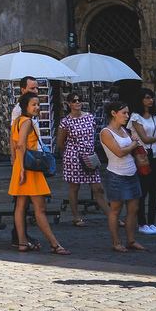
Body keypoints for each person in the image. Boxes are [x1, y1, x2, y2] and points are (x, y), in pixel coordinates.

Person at [10, 91, 69, 254]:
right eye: (34, 104)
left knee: (20, 206)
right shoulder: (27, 122)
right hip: (28, 168)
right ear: (25, 106)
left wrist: (16, 165)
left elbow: (14, 145)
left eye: (39, 105)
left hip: (21, 166)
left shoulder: (17, 121)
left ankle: (22, 242)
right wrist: (22, 169)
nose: (37, 107)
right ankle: (55, 244)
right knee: (39, 209)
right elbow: (21, 145)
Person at [55, 90, 109, 227]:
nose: (77, 102)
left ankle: (111, 215)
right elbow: (60, 142)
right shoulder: (65, 122)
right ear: (69, 104)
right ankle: (76, 216)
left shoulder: (90, 117)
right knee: (74, 187)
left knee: (98, 188)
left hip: (90, 156)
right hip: (73, 157)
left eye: (79, 100)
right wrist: (70, 153)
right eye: (74, 100)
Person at [99, 100, 145, 252]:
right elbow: (118, 152)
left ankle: (131, 240)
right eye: (124, 113)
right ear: (114, 113)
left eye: (128, 112)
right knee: (115, 209)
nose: (127, 116)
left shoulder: (125, 130)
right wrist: (133, 145)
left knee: (133, 208)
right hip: (116, 174)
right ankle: (116, 241)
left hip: (131, 171)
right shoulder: (106, 132)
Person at [130, 88, 156, 236]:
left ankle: (152, 221)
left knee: (154, 190)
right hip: (143, 155)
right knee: (143, 189)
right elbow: (145, 138)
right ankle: (142, 222)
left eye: (151, 98)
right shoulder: (136, 117)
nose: (150, 100)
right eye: (147, 98)